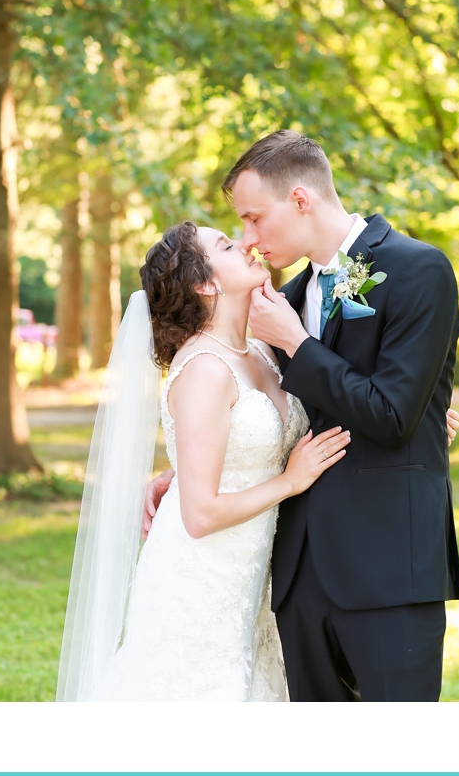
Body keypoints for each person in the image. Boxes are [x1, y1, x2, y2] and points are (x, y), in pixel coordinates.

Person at [143, 129, 459, 702]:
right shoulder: (284, 300)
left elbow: (394, 414)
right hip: (293, 580)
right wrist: (181, 475)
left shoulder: (419, 270)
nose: (249, 239)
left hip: (390, 569)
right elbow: (261, 414)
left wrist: (300, 344)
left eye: (253, 218)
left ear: (299, 200)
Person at [58, 221, 347, 700]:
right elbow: (199, 514)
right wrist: (291, 481)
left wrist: (416, 421)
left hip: (254, 576)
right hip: (199, 580)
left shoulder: (262, 351)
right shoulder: (204, 370)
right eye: (229, 246)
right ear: (205, 284)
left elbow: (251, 446)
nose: (249, 244)